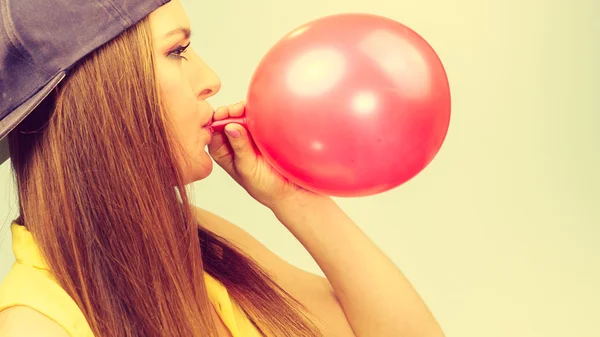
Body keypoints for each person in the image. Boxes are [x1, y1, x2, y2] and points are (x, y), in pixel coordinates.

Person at [0, 1, 445, 336]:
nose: (210, 78)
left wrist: (294, 200)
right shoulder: (38, 325)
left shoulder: (193, 240)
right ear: (97, 96)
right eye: (177, 50)